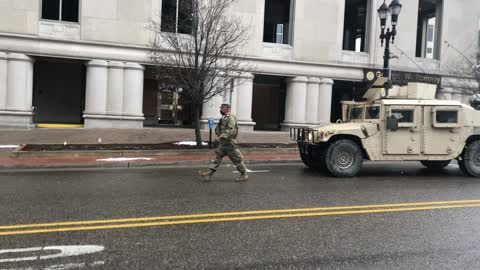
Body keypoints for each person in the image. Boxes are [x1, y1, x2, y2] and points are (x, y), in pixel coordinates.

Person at [198, 103, 248, 182]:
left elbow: (231, 131)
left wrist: (220, 138)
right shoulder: (223, 117)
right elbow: (219, 128)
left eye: (222, 108)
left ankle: (244, 174)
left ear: (227, 109)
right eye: (221, 108)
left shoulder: (231, 117)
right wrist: (217, 133)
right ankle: (209, 174)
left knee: (237, 160)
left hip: (230, 143)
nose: (220, 109)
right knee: (217, 158)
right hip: (223, 143)